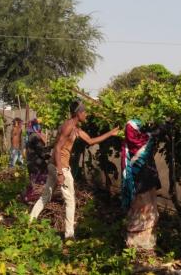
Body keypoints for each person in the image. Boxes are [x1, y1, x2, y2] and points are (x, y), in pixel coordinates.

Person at [29, 100, 119, 239]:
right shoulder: (69, 127)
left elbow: (91, 141)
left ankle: (28, 223)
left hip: (54, 165)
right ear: (79, 113)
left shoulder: (74, 127)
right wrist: (60, 172)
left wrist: (110, 133)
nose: (86, 115)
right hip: (61, 167)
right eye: (85, 112)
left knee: (46, 196)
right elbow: (58, 148)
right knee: (70, 201)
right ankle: (69, 235)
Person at [121, 119, 162, 250]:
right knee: (141, 208)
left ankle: (148, 243)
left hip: (146, 176)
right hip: (138, 178)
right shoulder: (133, 133)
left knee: (150, 208)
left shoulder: (144, 138)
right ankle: (136, 244)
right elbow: (143, 141)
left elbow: (147, 140)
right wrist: (157, 132)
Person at [23, 118, 50, 203]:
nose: (40, 127)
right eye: (39, 125)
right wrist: (47, 155)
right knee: (40, 182)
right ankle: (32, 199)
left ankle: (28, 198)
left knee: (33, 182)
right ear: (35, 126)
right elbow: (40, 152)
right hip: (37, 164)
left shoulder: (30, 135)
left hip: (31, 163)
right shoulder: (35, 136)